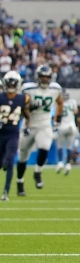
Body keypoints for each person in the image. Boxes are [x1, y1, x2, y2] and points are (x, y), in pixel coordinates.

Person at [15, 65, 63, 195]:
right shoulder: (28, 89)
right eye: (42, 77)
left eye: (47, 77)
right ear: (37, 77)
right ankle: (20, 182)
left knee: (44, 146)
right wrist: (30, 107)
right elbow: (19, 105)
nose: (44, 80)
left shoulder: (55, 89)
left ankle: (38, 171)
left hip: (44, 125)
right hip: (29, 125)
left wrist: (57, 119)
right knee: (23, 157)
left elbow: (60, 102)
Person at [0, 72, 30, 201]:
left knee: (11, 161)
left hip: (12, 133)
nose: (11, 85)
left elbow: (27, 115)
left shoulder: (23, 98)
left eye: (13, 83)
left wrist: (28, 126)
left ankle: (6, 191)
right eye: (9, 83)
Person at [55, 88, 79, 175]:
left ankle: (61, 162)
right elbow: (76, 112)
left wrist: (55, 126)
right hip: (71, 127)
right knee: (69, 147)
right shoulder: (73, 102)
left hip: (62, 126)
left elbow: (57, 114)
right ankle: (68, 164)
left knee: (60, 146)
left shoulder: (59, 103)